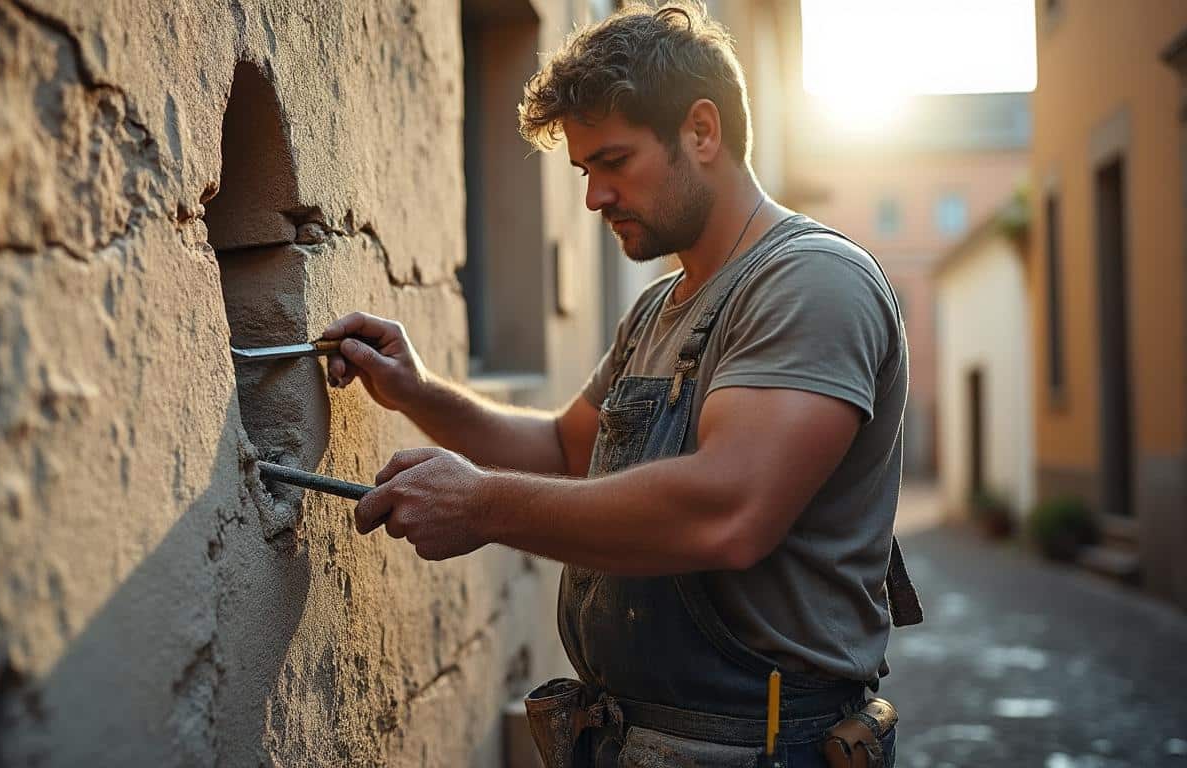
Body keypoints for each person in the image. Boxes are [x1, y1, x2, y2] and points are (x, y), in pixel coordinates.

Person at [320, 3, 919, 765]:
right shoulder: (658, 307)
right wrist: (418, 390)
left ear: (702, 131)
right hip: (633, 738)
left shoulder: (812, 282)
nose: (594, 197)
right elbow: (566, 451)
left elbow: (730, 512)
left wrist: (482, 504)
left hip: (763, 747)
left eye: (614, 162)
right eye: (585, 171)